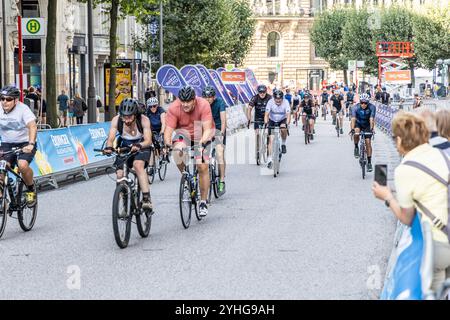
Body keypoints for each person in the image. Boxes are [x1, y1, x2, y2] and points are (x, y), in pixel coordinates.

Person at [372, 112, 450, 293]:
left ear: (400, 140)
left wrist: (387, 197)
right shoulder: (441, 155)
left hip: (438, 244)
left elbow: (406, 217)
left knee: (435, 290)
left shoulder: (405, 169)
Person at [164, 86, 213, 217]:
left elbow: (208, 129)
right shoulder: (174, 108)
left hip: (201, 133)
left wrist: (202, 144)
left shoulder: (203, 104)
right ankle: (185, 175)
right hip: (183, 134)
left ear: (194, 100)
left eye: (188, 102)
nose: (185, 104)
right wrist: (168, 144)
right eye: (182, 101)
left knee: (202, 165)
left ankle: (203, 201)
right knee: (177, 151)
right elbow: (168, 131)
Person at [104, 98, 153, 211]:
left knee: (138, 165)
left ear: (135, 114)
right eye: (124, 117)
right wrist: (109, 147)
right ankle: (123, 200)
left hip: (142, 146)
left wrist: (139, 146)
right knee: (120, 174)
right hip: (125, 147)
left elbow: (148, 141)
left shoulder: (144, 120)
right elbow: (111, 137)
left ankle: (146, 199)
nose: (127, 120)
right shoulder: (116, 120)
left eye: (130, 117)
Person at [0, 86, 38, 207]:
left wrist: (31, 144)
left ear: (16, 100)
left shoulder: (23, 109)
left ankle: (31, 189)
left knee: (22, 165)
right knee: (1, 168)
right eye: (2, 98)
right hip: (7, 144)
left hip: (24, 143)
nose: (5, 101)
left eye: (9, 99)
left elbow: (32, 126)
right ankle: (3, 198)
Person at [202, 86, 227, 194]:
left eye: (210, 97)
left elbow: (223, 120)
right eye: (206, 97)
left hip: (217, 128)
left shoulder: (220, 102)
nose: (208, 99)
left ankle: (221, 181)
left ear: (214, 97)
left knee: (220, 154)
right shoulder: (201, 104)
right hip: (206, 129)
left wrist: (221, 132)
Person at [264, 89, 291, 169]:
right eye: (276, 99)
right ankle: (269, 159)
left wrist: (287, 124)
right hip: (272, 120)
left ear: (282, 98)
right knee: (271, 140)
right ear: (274, 98)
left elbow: (288, 115)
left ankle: (283, 143)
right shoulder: (270, 102)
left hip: (282, 119)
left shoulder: (286, 102)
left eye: (280, 99)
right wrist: (266, 123)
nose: (278, 100)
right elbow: (266, 114)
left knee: (283, 128)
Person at [350, 93, 376, 172]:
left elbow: (372, 119)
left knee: (368, 142)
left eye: (365, 103)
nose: (363, 104)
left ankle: (369, 162)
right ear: (360, 101)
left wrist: (372, 129)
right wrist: (352, 129)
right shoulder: (355, 107)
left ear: (368, 103)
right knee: (356, 132)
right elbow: (353, 119)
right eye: (362, 102)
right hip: (358, 124)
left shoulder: (372, 107)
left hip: (367, 125)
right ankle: (356, 147)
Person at [247, 84, 272, 163]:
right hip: (258, 118)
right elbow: (249, 108)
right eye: (260, 92)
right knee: (257, 134)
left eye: (263, 92)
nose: (262, 94)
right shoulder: (255, 98)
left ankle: (268, 149)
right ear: (258, 92)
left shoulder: (270, 98)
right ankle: (257, 150)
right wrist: (249, 118)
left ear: (266, 92)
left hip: (267, 117)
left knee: (268, 134)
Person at [145, 97, 167, 170]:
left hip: (160, 128)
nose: (152, 108)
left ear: (157, 105)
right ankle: (152, 164)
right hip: (151, 129)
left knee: (162, 142)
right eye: (150, 106)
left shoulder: (161, 110)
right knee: (152, 146)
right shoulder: (147, 112)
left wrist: (162, 132)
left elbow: (164, 123)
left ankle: (164, 156)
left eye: (154, 106)